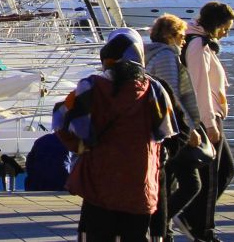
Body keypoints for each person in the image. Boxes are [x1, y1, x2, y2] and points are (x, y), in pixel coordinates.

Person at [55, 28, 175, 242]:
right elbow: (166, 132)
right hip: (140, 185)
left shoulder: (90, 87)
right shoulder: (155, 90)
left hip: (100, 183)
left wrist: (82, 146)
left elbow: (62, 120)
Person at [180, 2, 234, 242]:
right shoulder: (197, 45)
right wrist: (209, 123)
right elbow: (199, 86)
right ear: (216, 24)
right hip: (206, 119)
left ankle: (192, 218)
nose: (227, 32)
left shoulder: (203, 43)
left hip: (212, 115)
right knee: (212, 177)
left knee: (226, 171)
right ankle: (203, 229)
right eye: (225, 27)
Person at [146, 14, 205, 241]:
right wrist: (189, 129)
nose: (184, 41)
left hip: (164, 130)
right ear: (168, 36)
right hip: (174, 130)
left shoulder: (154, 54)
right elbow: (173, 95)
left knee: (169, 184)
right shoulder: (166, 57)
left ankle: (164, 228)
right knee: (191, 184)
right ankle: (161, 224)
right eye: (181, 36)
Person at [22, 125, 73, 192]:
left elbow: (29, 163)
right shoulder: (69, 143)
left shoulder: (41, 140)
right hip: (60, 184)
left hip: (38, 185)